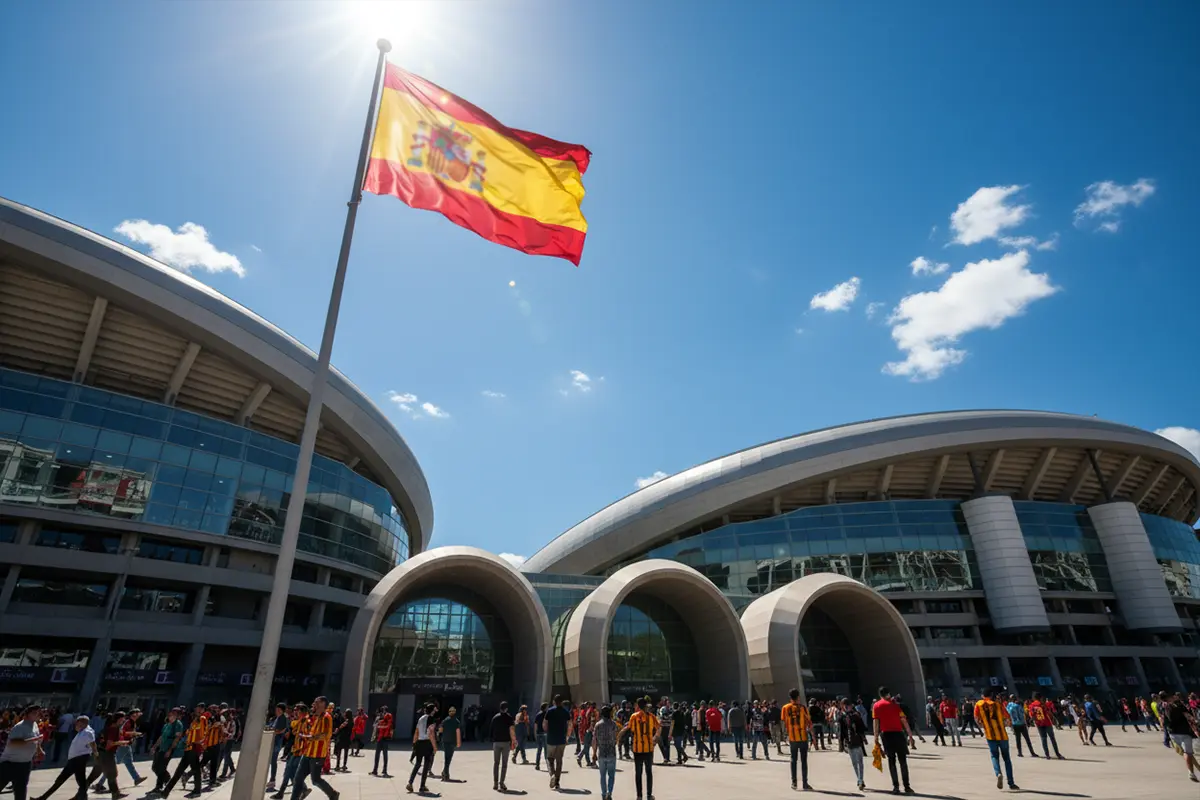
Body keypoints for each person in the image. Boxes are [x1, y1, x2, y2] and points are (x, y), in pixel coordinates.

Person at [289, 697, 338, 800]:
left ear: (322, 704)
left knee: (315, 780)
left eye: (316, 702)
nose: (313, 704)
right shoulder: (313, 717)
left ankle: (333, 794)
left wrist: (311, 737)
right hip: (307, 752)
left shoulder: (326, 717)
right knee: (298, 779)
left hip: (318, 754)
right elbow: (308, 729)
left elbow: (325, 735)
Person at [35, 715, 95, 800]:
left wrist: (95, 754)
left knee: (64, 780)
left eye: (77, 725)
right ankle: (81, 797)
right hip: (76, 759)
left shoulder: (87, 732)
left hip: (78, 760)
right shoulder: (84, 731)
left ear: (82, 723)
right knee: (80, 782)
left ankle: (43, 798)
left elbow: (92, 743)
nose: (75, 727)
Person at [872, 686, 915, 795]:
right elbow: (904, 721)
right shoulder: (896, 705)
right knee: (903, 762)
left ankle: (896, 787)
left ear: (880, 695)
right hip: (899, 735)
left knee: (892, 762)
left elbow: (876, 722)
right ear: (888, 694)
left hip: (886, 735)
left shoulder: (876, 706)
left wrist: (876, 737)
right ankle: (907, 786)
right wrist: (910, 735)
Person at [975, 687, 1018, 791]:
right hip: (1002, 735)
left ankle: (998, 773)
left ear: (983, 696)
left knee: (994, 756)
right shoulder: (998, 704)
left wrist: (982, 726)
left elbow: (977, 719)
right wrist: (1006, 724)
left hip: (990, 735)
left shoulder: (978, 705)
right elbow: (1007, 718)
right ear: (991, 695)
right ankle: (1011, 783)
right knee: (1006, 759)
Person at [0, 705, 43, 800]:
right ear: (27, 715)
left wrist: (39, 750)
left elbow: (37, 740)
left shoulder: (35, 725)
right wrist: (31, 740)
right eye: (34, 713)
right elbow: (12, 743)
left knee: (21, 791)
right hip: (10, 763)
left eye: (38, 713)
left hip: (25, 764)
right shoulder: (19, 727)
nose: (37, 715)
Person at [625, 698, 659, 800]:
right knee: (649, 772)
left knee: (638, 773)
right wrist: (655, 739)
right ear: (646, 706)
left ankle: (639, 796)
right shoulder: (652, 717)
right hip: (648, 749)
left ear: (638, 706)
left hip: (637, 749)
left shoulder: (633, 717)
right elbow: (658, 728)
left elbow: (631, 729)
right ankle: (649, 795)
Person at [1162, 691, 1199, 783]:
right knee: (1188, 753)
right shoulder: (1177, 705)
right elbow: (1188, 716)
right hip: (1183, 732)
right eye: (1173, 695)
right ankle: (1191, 772)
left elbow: (1163, 721)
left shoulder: (1162, 706)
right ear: (1170, 697)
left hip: (1173, 734)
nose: (1175, 696)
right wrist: (1195, 722)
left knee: (1186, 753)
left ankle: (1194, 770)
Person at [782, 688, 813, 792]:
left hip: (792, 738)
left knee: (793, 759)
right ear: (798, 697)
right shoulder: (803, 708)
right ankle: (805, 783)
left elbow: (783, 722)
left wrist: (784, 735)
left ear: (790, 697)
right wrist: (813, 737)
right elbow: (809, 722)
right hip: (803, 737)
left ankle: (794, 782)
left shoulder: (785, 708)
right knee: (804, 760)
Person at [149, 708, 184, 794]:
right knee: (154, 767)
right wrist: (154, 746)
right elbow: (161, 737)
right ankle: (167, 778)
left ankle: (159, 786)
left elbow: (177, 738)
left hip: (168, 748)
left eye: (174, 713)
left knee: (161, 768)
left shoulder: (178, 725)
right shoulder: (167, 724)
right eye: (171, 713)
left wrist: (170, 750)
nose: (171, 715)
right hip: (161, 748)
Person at [543, 695, 573, 791]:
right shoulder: (565, 712)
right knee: (559, 761)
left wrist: (547, 731)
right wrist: (567, 737)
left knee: (550, 758)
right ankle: (557, 781)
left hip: (551, 739)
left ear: (554, 702)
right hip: (561, 739)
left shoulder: (550, 711)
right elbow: (570, 725)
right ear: (562, 702)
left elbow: (545, 723)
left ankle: (552, 774)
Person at [838, 697, 868, 791]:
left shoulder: (841, 717)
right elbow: (862, 728)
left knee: (855, 762)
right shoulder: (856, 715)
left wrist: (841, 745)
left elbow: (841, 733)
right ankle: (860, 780)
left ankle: (859, 780)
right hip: (857, 741)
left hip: (849, 741)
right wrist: (864, 738)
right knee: (860, 762)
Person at [405, 703, 436, 794]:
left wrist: (414, 743)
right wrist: (434, 746)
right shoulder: (431, 719)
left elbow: (416, 732)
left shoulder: (421, 718)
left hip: (419, 742)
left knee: (418, 764)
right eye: (434, 710)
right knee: (426, 765)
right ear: (431, 710)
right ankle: (422, 786)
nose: (434, 711)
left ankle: (410, 783)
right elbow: (431, 733)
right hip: (427, 743)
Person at [591, 705, 618, 800]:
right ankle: (609, 793)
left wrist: (594, 753)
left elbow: (594, 740)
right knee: (611, 775)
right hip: (611, 753)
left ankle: (603, 794)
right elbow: (616, 739)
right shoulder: (614, 724)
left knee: (602, 775)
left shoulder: (598, 725)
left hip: (601, 753)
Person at [489, 701, 516, 792]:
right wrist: (514, 741)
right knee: (504, 764)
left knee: (496, 763)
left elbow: (491, 731)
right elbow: (512, 730)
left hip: (496, 743)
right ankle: (502, 783)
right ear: (507, 708)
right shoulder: (509, 718)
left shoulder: (495, 718)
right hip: (506, 743)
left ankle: (495, 783)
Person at [1026, 693, 1063, 759]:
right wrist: (1053, 720)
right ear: (1040, 697)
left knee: (1043, 739)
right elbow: (1048, 712)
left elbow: (1031, 715)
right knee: (1052, 738)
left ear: (1034, 698)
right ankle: (1057, 754)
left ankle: (1047, 755)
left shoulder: (1031, 705)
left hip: (1039, 724)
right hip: (1047, 723)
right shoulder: (1043, 704)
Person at [436, 707, 461, 781]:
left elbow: (440, 730)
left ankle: (445, 772)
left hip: (445, 741)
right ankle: (445, 773)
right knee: (449, 758)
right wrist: (458, 742)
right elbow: (458, 732)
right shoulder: (457, 721)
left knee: (446, 757)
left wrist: (439, 736)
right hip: (452, 742)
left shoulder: (445, 720)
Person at [370, 706, 393, 777]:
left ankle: (380, 770)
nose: (383, 712)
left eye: (384, 710)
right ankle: (378, 770)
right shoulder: (381, 717)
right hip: (381, 738)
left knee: (382, 755)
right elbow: (375, 726)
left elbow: (387, 726)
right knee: (381, 755)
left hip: (383, 738)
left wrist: (378, 726)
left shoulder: (388, 717)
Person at [533, 703, 548, 771]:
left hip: (539, 733)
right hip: (545, 734)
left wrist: (535, 734)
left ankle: (537, 765)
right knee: (546, 750)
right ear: (545, 708)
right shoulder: (547, 714)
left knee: (539, 750)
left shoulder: (538, 714)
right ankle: (548, 765)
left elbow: (535, 725)